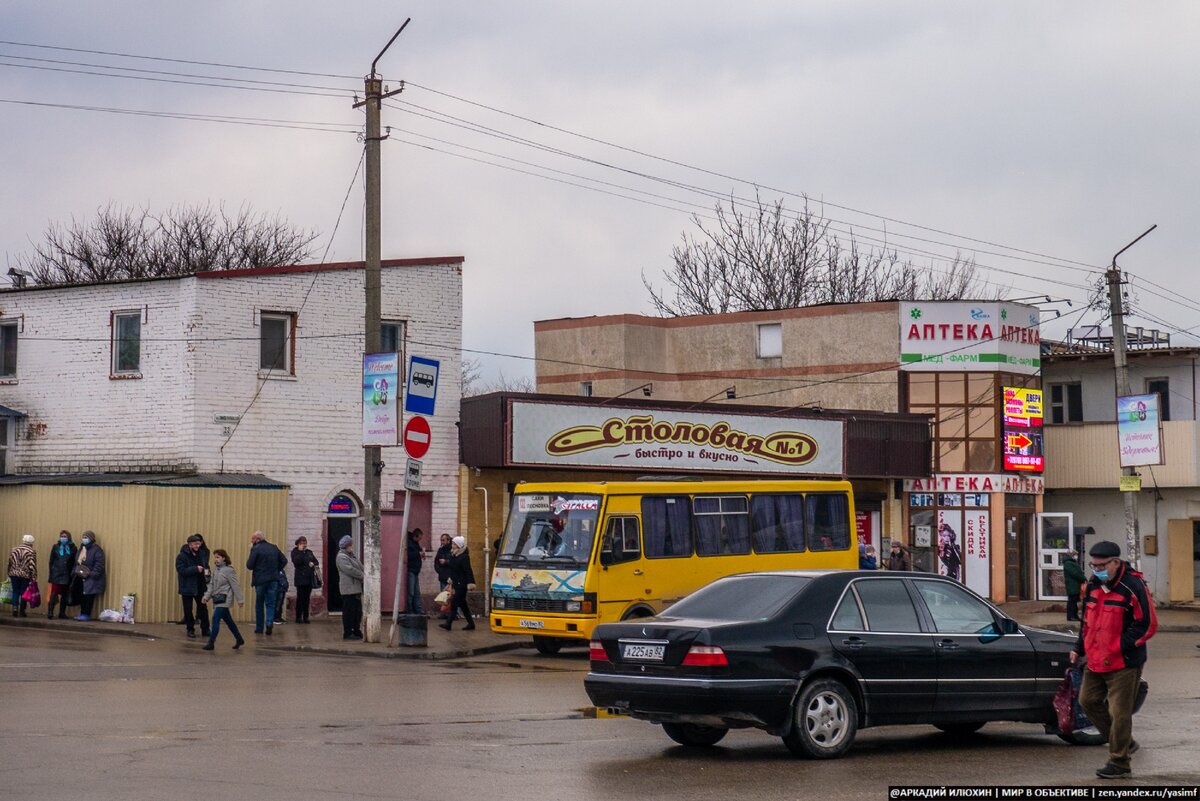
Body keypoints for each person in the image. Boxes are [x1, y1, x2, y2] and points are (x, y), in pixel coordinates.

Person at [1070, 540, 1157, 779]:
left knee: (1120, 713)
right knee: (1088, 701)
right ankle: (1125, 742)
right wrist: (1079, 647)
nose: (1096, 569)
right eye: (1093, 564)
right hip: (1096, 659)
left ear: (1116, 563)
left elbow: (1147, 625)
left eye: (1101, 565)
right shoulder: (1093, 586)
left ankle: (1119, 762)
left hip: (1123, 662)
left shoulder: (1134, 586)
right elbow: (1086, 622)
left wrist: (1118, 647)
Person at [202, 549, 245, 651]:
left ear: (223, 558)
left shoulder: (229, 570)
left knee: (215, 619)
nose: (216, 559)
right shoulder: (216, 570)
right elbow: (211, 586)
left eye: (218, 557)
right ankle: (239, 639)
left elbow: (235, 585)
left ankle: (211, 643)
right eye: (215, 557)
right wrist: (206, 597)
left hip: (225, 599)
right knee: (229, 621)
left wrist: (240, 600)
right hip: (217, 599)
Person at [246, 530, 286, 635]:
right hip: (273, 580)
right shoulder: (274, 547)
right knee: (271, 603)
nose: (251, 540)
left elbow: (249, 565)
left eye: (253, 538)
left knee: (259, 604)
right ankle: (269, 624)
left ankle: (259, 628)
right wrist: (277, 569)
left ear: (258, 539)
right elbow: (284, 560)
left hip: (260, 580)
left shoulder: (255, 549)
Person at [175, 534, 211, 639]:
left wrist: (208, 573)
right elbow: (181, 570)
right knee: (188, 609)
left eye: (199, 543)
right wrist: (195, 569)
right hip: (187, 586)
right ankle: (190, 629)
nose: (197, 546)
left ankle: (206, 629)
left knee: (203, 608)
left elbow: (206, 566)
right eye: (195, 544)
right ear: (190, 545)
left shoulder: (202, 554)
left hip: (200, 585)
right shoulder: (182, 556)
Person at [438, 535, 476, 631]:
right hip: (456, 583)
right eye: (453, 543)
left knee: (454, 604)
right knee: (463, 605)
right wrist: (451, 580)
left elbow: (468, 570)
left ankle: (448, 623)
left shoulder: (464, 557)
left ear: (458, 545)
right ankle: (471, 624)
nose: (452, 545)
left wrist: (470, 583)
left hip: (462, 584)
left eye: (454, 544)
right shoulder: (454, 555)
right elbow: (453, 570)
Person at [336, 535, 364, 640]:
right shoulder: (341, 557)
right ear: (346, 545)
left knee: (357, 611)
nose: (352, 546)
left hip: (356, 588)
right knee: (349, 612)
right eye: (350, 544)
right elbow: (350, 569)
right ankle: (347, 632)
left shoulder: (352, 555)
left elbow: (359, 566)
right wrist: (363, 576)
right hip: (348, 589)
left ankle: (356, 630)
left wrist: (365, 573)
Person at [74, 531, 105, 621]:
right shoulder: (82, 549)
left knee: (88, 596)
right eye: (83, 537)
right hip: (81, 575)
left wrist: (91, 574)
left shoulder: (97, 550)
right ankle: (82, 613)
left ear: (91, 538)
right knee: (82, 595)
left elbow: (99, 564)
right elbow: (77, 561)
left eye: (86, 537)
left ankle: (86, 614)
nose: (84, 539)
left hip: (91, 577)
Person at [46, 530, 78, 619]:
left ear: (69, 538)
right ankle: (50, 612)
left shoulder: (73, 548)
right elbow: (51, 561)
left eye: (65, 536)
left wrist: (72, 574)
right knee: (54, 593)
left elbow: (74, 562)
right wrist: (51, 574)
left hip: (67, 575)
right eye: (62, 536)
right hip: (57, 574)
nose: (63, 538)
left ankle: (62, 613)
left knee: (64, 594)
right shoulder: (56, 547)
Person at [6, 534, 37, 617]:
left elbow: (10, 562)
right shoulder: (31, 551)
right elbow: (32, 565)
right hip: (25, 575)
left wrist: (8, 573)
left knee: (15, 591)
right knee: (24, 593)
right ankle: (22, 611)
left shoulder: (14, 549)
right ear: (32, 543)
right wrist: (34, 577)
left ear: (23, 540)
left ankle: (15, 607)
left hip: (14, 573)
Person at [290, 536, 319, 624]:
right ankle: (298, 617)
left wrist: (312, 563)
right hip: (300, 579)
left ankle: (306, 617)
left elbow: (316, 562)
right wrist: (301, 552)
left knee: (307, 599)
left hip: (309, 578)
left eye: (305, 543)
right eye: (302, 543)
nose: (304, 545)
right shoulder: (295, 552)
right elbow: (296, 562)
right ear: (298, 544)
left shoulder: (309, 552)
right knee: (300, 598)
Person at [1062, 549, 1086, 622]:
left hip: (1074, 585)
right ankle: (1072, 616)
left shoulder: (1070, 562)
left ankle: (1074, 615)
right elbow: (1075, 573)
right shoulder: (1068, 563)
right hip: (1073, 586)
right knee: (1072, 601)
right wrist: (1083, 578)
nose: (1076, 556)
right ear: (1070, 554)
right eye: (1074, 554)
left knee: (1074, 601)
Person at [434, 533, 453, 620]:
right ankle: (444, 613)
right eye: (441, 540)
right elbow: (436, 562)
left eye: (443, 540)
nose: (442, 542)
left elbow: (454, 562)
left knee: (451, 595)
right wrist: (440, 571)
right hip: (443, 576)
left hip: (451, 577)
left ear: (448, 541)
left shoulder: (452, 549)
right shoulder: (440, 550)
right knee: (443, 595)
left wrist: (446, 562)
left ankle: (452, 614)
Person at [405, 528, 425, 615]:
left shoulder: (415, 543)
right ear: (415, 536)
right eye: (419, 538)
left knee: (416, 592)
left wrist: (421, 554)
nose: (420, 540)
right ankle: (410, 610)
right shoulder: (409, 543)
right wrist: (418, 554)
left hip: (415, 571)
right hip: (411, 570)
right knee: (411, 592)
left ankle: (417, 610)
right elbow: (408, 555)